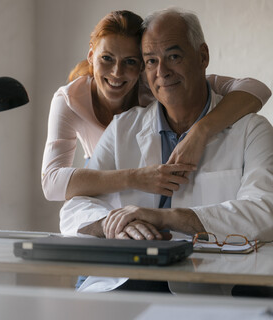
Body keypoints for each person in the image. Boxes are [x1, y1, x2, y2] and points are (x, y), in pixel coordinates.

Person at [60, 8, 273, 295]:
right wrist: (113, 224)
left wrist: (163, 217)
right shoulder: (122, 128)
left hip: (210, 287)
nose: (162, 71)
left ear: (203, 57)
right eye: (151, 61)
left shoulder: (251, 130)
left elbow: (264, 212)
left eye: (174, 56)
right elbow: (74, 208)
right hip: (126, 282)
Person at [41, 10, 271, 202]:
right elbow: (52, 184)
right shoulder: (69, 100)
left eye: (130, 62)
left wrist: (200, 132)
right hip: (103, 177)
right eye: (106, 58)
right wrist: (135, 178)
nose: (116, 73)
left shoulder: (156, 84)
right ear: (91, 55)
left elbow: (256, 88)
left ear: (141, 66)